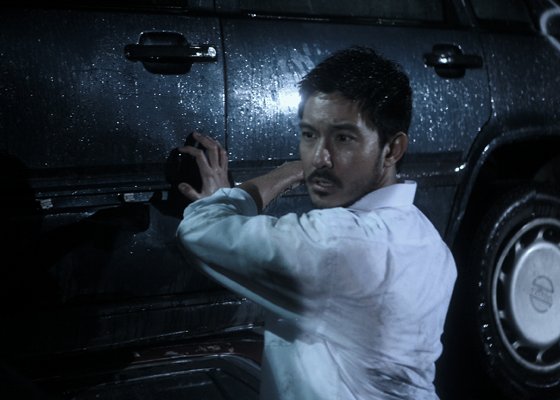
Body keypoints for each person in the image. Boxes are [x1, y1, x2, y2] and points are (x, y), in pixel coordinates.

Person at [176, 47, 457, 400]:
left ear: (392, 149)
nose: (320, 159)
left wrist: (265, 182)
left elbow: (199, 231)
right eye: (309, 135)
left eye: (343, 138)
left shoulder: (338, 242)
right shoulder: (430, 243)